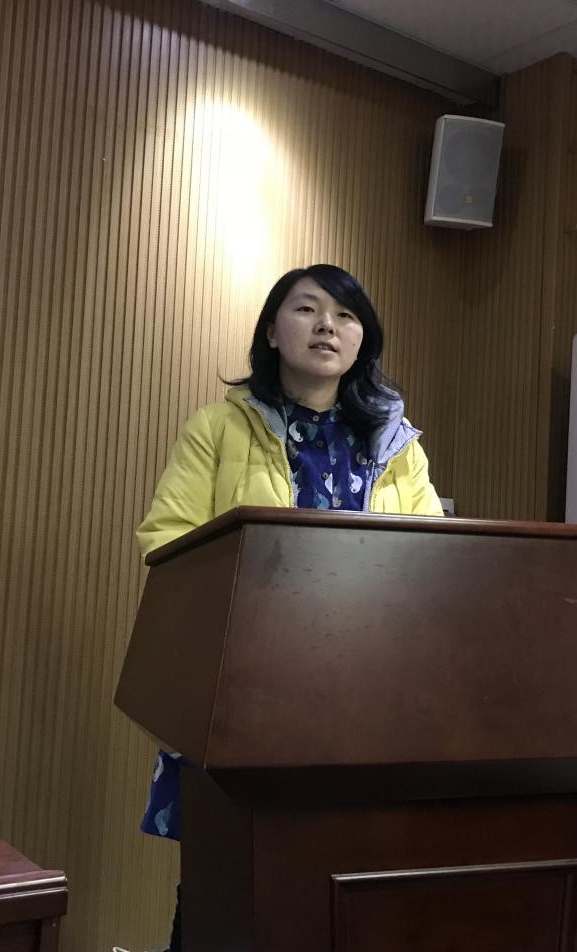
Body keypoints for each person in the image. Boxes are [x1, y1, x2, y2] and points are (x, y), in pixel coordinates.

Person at [134, 263, 443, 950]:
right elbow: (167, 542)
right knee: (223, 889)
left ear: (363, 340)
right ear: (272, 332)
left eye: (346, 314)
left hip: (366, 704)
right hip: (245, 695)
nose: (327, 325)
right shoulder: (219, 428)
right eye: (306, 309)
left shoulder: (398, 447)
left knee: (335, 889)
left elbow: (434, 564)